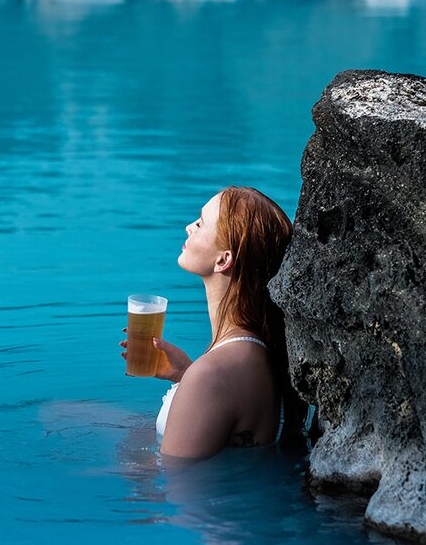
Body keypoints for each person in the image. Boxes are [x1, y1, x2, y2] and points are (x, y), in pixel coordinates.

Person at [120, 186, 309, 460]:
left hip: (199, 499)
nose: (188, 227)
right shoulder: (255, 350)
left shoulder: (213, 374)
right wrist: (185, 375)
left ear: (224, 260)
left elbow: (176, 485)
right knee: (62, 411)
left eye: (200, 223)